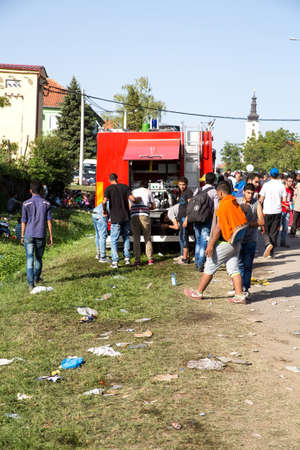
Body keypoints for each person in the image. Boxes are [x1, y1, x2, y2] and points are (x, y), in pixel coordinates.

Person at [184, 181, 248, 304]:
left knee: (210, 266)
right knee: (233, 268)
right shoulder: (234, 202)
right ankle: (239, 295)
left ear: (220, 192)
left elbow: (218, 227)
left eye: (218, 194)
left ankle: (198, 292)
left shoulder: (224, 205)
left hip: (226, 242)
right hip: (236, 241)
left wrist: (211, 245)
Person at [21, 180, 53, 291]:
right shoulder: (47, 204)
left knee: (29, 259)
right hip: (41, 234)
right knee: (38, 258)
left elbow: (23, 221)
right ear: (41, 191)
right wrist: (51, 236)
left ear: (30, 191)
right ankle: (37, 278)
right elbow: (49, 221)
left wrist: (22, 236)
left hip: (28, 234)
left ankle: (30, 284)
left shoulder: (25, 204)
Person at [102, 173, 135, 269]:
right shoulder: (125, 187)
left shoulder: (108, 189)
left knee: (114, 240)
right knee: (126, 237)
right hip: (126, 217)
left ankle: (115, 261)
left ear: (109, 180)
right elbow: (132, 199)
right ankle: (127, 259)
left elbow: (104, 201)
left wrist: (104, 210)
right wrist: (137, 201)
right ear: (117, 178)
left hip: (115, 218)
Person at [185, 172, 217, 271]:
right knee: (204, 242)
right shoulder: (214, 192)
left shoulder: (198, 190)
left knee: (198, 241)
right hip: (206, 220)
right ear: (214, 181)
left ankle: (197, 261)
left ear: (205, 180)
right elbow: (216, 208)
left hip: (196, 219)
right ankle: (200, 264)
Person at [237, 183, 264, 296]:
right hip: (238, 239)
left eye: (252, 193)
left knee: (247, 265)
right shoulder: (237, 202)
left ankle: (245, 288)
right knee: (238, 265)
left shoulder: (256, 203)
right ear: (243, 192)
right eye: (248, 193)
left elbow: (262, 221)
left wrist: (248, 224)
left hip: (251, 239)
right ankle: (238, 287)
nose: (250, 196)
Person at [259, 168, 286, 257]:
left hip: (267, 211)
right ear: (278, 175)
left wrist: (258, 209)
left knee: (264, 230)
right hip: (277, 211)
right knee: (274, 232)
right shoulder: (281, 185)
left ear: (270, 175)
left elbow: (261, 199)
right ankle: (272, 252)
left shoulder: (266, 185)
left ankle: (268, 244)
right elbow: (284, 199)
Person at [130, 180, 155, 266]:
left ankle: (137, 260)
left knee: (136, 238)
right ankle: (150, 259)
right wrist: (148, 207)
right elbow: (154, 206)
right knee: (147, 238)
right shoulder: (148, 191)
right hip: (144, 215)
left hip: (134, 215)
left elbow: (130, 206)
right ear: (146, 186)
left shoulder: (133, 192)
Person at [175, 177, 193, 264]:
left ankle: (185, 258)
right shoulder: (181, 193)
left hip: (184, 218)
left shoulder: (188, 192)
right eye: (180, 185)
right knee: (182, 236)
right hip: (181, 218)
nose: (182, 186)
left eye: (183, 185)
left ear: (187, 184)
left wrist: (186, 219)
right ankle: (185, 256)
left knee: (184, 237)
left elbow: (190, 206)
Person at [280, 176, 294, 247]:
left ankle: (283, 242)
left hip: (287, 211)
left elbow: (290, 199)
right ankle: (273, 243)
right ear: (286, 181)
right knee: (277, 228)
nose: (290, 183)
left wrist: (290, 203)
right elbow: (278, 200)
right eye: (289, 181)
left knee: (285, 228)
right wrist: (284, 205)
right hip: (280, 210)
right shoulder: (282, 189)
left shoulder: (291, 190)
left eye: (291, 181)